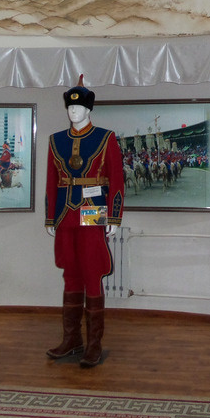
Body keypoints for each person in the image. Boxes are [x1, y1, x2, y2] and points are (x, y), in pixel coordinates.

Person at [45, 75, 124, 367]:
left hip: (93, 210)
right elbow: (51, 181)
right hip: (65, 214)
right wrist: (50, 217)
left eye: (78, 107)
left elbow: (116, 179)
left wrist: (114, 216)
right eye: (70, 107)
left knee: (92, 273)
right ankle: (72, 339)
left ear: (89, 109)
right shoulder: (56, 141)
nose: (73, 111)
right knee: (71, 273)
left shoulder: (105, 138)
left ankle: (94, 343)